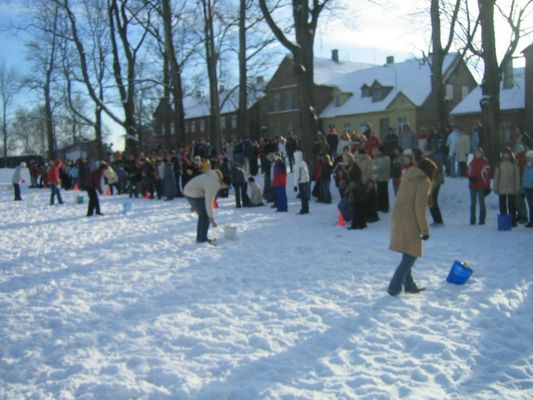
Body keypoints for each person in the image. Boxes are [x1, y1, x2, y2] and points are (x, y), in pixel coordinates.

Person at [387, 158, 436, 296]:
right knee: (411, 255)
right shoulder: (424, 182)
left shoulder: (408, 176)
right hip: (410, 219)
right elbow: (419, 208)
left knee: (407, 252)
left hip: (397, 216)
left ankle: (409, 286)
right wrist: (425, 230)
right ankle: (394, 287)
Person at [183, 169, 230, 244]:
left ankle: (200, 237)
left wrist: (194, 205)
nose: (225, 189)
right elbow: (208, 202)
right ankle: (202, 238)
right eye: (227, 187)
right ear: (224, 184)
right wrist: (211, 218)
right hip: (192, 193)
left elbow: (203, 191)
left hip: (190, 191)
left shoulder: (214, 177)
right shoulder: (214, 184)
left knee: (203, 215)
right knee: (205, 215)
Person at [494, 147, 521, 227]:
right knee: (503, 205)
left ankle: (511, 221)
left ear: (510, 154)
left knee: (511, 205)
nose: (506, 155)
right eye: (505, 154)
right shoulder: (499, 164)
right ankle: (505, 220)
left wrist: (517, 187)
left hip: (511, 187)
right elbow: (496, 176)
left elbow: (517, 177)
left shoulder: (514, 164)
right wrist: (495, 186)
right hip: (502, 187)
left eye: (508, 154)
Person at [468, 148, 492, 225]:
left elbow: (487, 176)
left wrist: (487, 186)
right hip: (472, 185)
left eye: (479, 153)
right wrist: (470, 177)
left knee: (481, 203)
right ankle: (472, 220)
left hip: (481, 185)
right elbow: (468, 172)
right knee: (473, 203)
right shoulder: (472, 162)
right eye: (476, 153)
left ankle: (482, 219)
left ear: (482, 154)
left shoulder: (485, 163)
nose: (478, 154)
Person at [293, 150, 310, 214]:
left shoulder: (297, 164)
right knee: (305, 196)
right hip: (306, 181)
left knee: (303, 196)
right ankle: (306, 208)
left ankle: (304, 209)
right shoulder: (304, 163)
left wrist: (295, 185)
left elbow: (296, 175)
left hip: (301, 182)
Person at [522, 150, 533, 227]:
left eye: (530, 158)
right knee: (530, 205)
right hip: (526, 188)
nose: (528, 159)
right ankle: (531, 220)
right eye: (527, 158)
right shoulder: (525, 167)